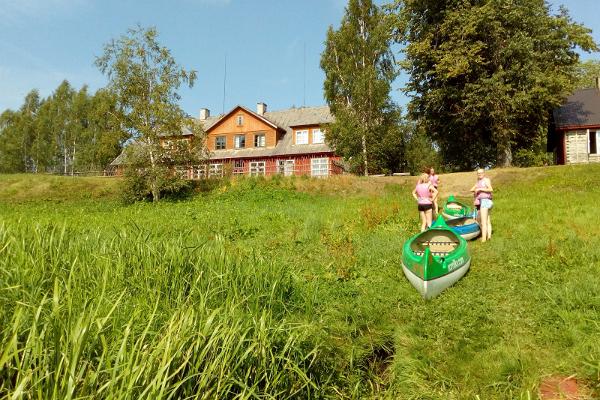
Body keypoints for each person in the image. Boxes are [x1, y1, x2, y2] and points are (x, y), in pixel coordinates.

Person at [470, 168, 493, 242]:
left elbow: (490, 189)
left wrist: (480, 189)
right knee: (487, 221)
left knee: (483, 222)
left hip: (485, 201)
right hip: (486, 201)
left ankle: (483, 239)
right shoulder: (478, 182)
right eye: (478, 173)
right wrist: (476, 188)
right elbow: (471, 189)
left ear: (484, 173)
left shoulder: (486, 180)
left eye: (481, 173)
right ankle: (489, 236)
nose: (479, 174)